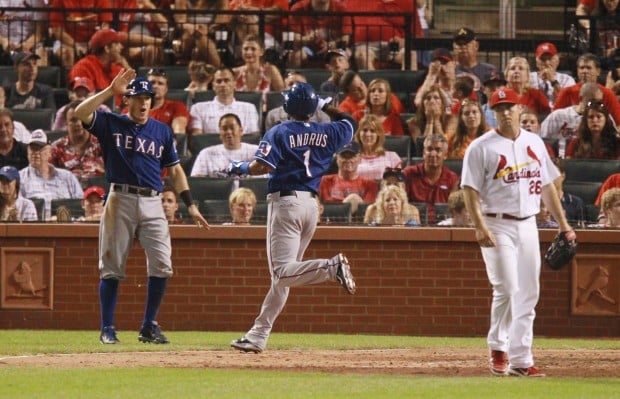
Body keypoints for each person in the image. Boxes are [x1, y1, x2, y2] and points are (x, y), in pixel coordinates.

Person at [73, 69, 209, 345]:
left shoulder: (161, 130)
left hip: (152, 200)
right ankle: (107, 328)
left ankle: (148, 326)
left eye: (148, 97)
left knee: (162, 263)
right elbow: (80, 112)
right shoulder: (111, 122)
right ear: (127, 100)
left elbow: (175, 170)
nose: (144, 102)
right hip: (119, 198)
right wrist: (111, 91)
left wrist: (190, 205)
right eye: (138, 97)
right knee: (111, 267)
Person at [226, 81, 357, 353]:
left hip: (286, 203)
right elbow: (350, 122)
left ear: (288, 106)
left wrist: (238, 168)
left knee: (281, 273)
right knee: (283, 277)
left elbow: (261, 165)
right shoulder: (328, 130)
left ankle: (331, 268)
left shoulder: (280, 130)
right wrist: (326, 106)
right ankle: (257, 335)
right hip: (311, 207)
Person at [460, 87, 575, 377]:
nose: (506, 112)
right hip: (495, 222)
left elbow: (548, 184)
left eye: (510, 107)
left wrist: (564, 225)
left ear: (520, 109)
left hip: (528, 224)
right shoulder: (481, 146)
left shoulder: (534, 142)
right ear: (493, 113)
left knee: (529, 292)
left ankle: (521, 358)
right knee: (508, 288)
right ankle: (498, 345)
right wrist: (479, 226)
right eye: (499, 108)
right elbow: (469, 190)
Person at [19, 130, 84, 220]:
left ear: (49, 152)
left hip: (66, 228)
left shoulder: (68, 177)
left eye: (40, 148)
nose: (35, 153)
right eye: (32, 148)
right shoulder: (20, 178)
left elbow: (80, 207)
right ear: (27, 152)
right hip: (34, 228)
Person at [403, 133, 460, 224]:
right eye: (429, 149)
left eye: (438, 150)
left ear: (445, 155)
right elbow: (401, 204)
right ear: (423, 153)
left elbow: (454, 210)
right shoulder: (408, 174)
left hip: (443, 227)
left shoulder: (452, 179)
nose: (433, 154)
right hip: (414, 227)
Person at [189, 67, 260, 135]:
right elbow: (197, 140)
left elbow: (253, 138)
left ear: (235, 84)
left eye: (226, 80)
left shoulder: (249, 108)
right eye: (219, 81)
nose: (222, 84)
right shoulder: (198, 108)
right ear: (213, 86)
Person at [352, 0, 421, 70]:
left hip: (394, 45)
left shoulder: (407, 2)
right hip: (366, 46)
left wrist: (403, 42)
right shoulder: (354, 2)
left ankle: (408, 80)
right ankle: (376, 81)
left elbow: (417, 36)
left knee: (411, 55)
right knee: (361, 55)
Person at [554, 53, 620, 125]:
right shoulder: (566, 92)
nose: (584, 71)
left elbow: (618, 123)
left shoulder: (608, 94)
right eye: (582, 68)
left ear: (598, 71)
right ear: (577, 71)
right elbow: (555, 119)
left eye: (589, 68)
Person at [540, 82, 603, 158]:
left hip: (590, 159)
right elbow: (541, 139)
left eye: (599, 102)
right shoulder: (558, 116)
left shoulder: (602, 117)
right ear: (581, 98)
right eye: (591, 102)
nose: (595, 105)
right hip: (560, 158)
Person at [50, 101, 105, 184]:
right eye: (73, 120)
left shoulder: (103, 144)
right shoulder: (56, 148)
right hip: (68, 193)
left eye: (82, 119)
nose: (79, 124)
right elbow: (50, 178)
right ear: (66, 123)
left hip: (98, 192)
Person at [318, 141, 379, 216]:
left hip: (358, 225)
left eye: (352, 156)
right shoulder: (324, 181)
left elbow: (366, 211)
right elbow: (319, 206)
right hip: (330, 222)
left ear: (360, 159)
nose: (348, 160)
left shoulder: (370, 184)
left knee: (354, 198)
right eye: (344, 156)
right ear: (337, 158)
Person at [287, 0, 352, 68]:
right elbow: (295, 40)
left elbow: (345, 40)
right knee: (295, 55)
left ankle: (342, 78)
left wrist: (330, 46)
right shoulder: (298, 8)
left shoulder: (341, 8)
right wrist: (307, 39)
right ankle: (295, 78)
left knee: (341, 57)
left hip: (334, 47)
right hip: (307, 48)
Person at [49, 0, 114, 68]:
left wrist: (92, 43)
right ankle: (71, 78)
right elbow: (57, 30)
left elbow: (105, 27)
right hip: (66, 41)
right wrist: (74, 45)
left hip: (94, 41)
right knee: (68, 54)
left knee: (109, 53)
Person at [190, 113, 259, 177]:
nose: (228, 132)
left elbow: (265, 178)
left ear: (241, 131)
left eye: (232, 128)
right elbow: (196, 180)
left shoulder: (256, 151)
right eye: (224, 129)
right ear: (220, 133)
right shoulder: (206, 154)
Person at [68, 29, 131, 96]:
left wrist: (127, 67)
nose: (121, 47)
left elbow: (136, 91)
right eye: (117, 43)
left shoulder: (117, 68)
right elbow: (81, 98)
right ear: (107, 48)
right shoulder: (83, 67)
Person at [265, 71, 330, 131]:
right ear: (285, 88)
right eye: (290, 84)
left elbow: (326, 139)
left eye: (299, 84)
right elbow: (270, 141)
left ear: (307, 88)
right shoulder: (273, 115)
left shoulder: (321, 115)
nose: (295, 87)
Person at [172, 0, 230, 66]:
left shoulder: (222, 1)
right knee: (195, 35)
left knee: (200, 38)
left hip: (211, 35)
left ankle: (187, 61)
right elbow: (180, 22)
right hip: (188, 35)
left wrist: (207, 29)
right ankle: (217, 65)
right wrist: (194, 27)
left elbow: (221, 22)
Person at [233, 34, 285, 103]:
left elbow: (281, 97)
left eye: (253, 49)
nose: (249, 52)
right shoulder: (235, 72)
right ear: (241, 51)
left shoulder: (270, 71)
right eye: (245, 49)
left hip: (264, 113)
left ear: (261, 51)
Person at [142, 68, 190, 134]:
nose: (155, 86)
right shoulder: (132, 109)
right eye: (152, 82)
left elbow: (179, 132)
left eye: (160, 83)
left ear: (166, 89)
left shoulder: (177, 107)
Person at [0, 0, 48, 66]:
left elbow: (39, 33)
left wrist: (25, 45)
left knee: (40, 54)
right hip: (3, 44)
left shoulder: (37, 1)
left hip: (31, 44)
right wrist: (3, 41)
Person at [354, 114, 402, 181]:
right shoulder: (352, 158)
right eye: (364, 130)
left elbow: (398, 184)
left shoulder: (392, 157)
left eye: (372, 131)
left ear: (378, 134)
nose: (368, 134)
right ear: (359, 134)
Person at [529, 42, 576, 108]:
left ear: (557, 61)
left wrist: (553, 81)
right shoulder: (529, 77)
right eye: (543, 59)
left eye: (550, 59)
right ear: (537, 63)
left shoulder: (567, 79)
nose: (547, 63)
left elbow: (569, 102)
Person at [553, 158, 585, 227]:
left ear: (563, 175)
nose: (550, 178)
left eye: (554, 174)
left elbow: (582, 231)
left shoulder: (576, 202)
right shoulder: (538, 202)